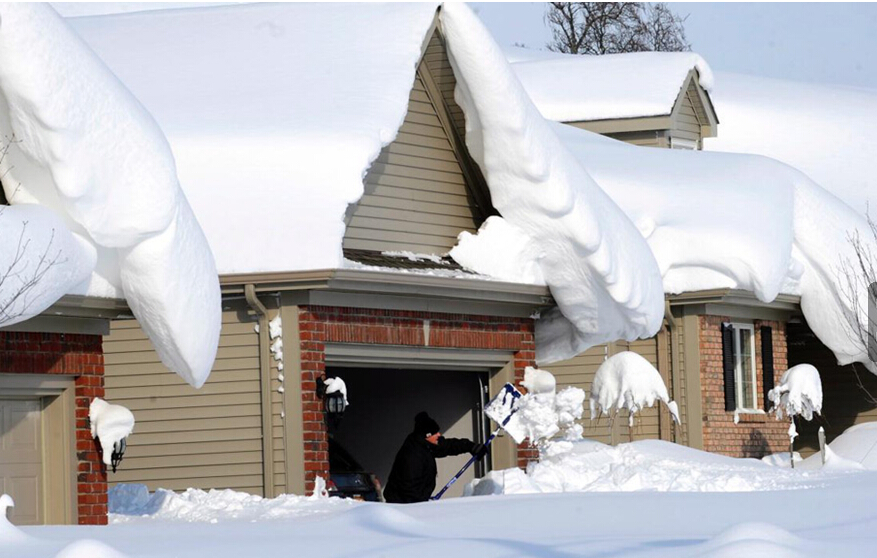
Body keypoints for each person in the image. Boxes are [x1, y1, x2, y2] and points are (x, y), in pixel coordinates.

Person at [383, 411, 486, 504]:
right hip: (401, 505)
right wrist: (422, 505)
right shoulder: (412, 456)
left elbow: (448, 446)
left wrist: (471, 446)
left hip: (417, 501)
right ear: (427, 435)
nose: (439, 434)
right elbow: (409, 491)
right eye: (435, 433)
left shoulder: (426, 444)